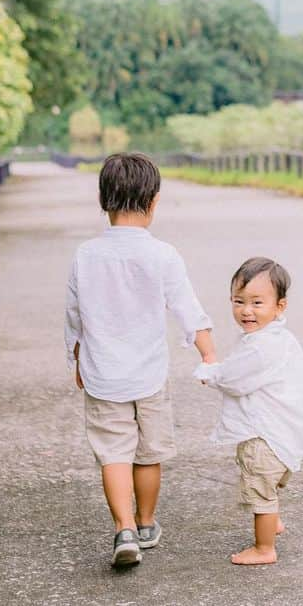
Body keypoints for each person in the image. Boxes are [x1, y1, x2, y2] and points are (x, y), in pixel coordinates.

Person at [64, 152, 215, 568]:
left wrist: (76, 358)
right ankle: (147, 523)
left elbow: (74, 317)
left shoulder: (86, 254)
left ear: (102, 200)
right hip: (149, 374)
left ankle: (123, 528)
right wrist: (209, 354)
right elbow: (187, 308)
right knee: (148, 453)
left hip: (102, 374)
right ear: (154, 202)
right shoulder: (163, 254)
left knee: (113, 453)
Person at [194, 256, 303, 566]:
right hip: (285, 433)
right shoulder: (279, 338)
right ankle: (274, 523)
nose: (247, 310)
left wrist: (211, 372)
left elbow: (235, 379)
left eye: (257, 302)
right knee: (269, 483)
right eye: (239, 301)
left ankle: (264, 547)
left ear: (279, 306)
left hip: (265, 435)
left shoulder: (261, 347)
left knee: (260, 489)